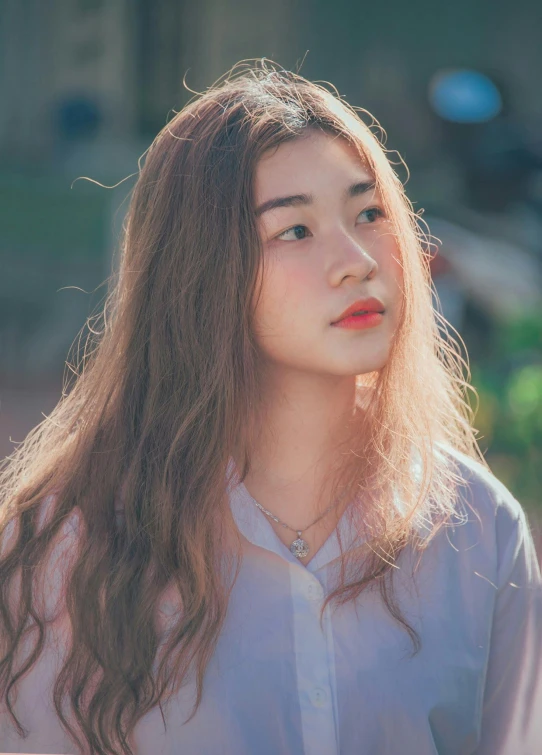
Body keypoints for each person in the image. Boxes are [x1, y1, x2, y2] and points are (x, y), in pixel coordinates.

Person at [1, 60, 541, 755]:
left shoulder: (478, 528)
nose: (356, 260)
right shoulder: (65, 542)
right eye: (295, 231)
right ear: (203, 270)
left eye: (370, 213)